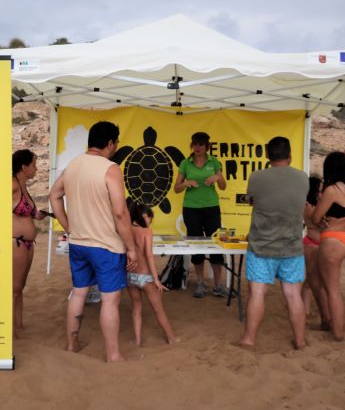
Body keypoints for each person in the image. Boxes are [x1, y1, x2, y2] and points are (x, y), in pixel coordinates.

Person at [49, 121, 138, 363]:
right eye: (116, 142)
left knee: (78, 294)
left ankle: (72, 345)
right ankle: (113, 354)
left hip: (79, 244)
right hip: (106, 246)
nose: (116, 146)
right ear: (110, 143)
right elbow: (121, 213)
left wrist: (69, 226)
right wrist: (131, 248)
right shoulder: (111, 169)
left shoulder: (73, 165)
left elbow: (54, 195)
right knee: (110, 299)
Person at [237, 136, 309, 350]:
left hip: (261, 247)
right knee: (293, 294)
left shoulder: (257, 177)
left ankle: (249, 340)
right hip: (292, 248)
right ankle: (300, 341)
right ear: (290, 155)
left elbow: (252, 200)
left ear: (267, 155)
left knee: (257, 293)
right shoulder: (303, 178)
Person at [173, 132, 227, 298]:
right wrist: (186, 183)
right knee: (196, 245)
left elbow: (223, 186)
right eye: (195, 144)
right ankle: (200, 284)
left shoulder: (214, 162)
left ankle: (218, 285)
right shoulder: (185, 163)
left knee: (216, 245)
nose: (197, 147)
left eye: (201, 144)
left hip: (211, 207)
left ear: (206, 146)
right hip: (191, 209)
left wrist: (217, 177)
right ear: (192, 145)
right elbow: (176, 188)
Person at [312, 151, 345, 341]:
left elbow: (315, 218)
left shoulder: (332, 190)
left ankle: (337, 332)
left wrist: (320, 218)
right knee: (315, 281)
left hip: (332, 241)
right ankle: (326, 322)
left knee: (332, 289)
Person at [126, 202, 178, 346]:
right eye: (150, 218)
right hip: (145, 276)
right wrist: (156, 280)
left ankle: (137, 340)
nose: (150, 221)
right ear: (144, 216)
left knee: (136, 308)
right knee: (158, 310)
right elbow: (149, 256)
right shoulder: (146, 231)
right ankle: (171, 338)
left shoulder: (126, 229)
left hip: (130, 276)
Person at [12, 149, 47, 338]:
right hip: (15, 242)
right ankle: (10, 329)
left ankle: (18, 325)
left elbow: (28, 212)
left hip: (27, 243)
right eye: (33, 164)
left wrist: (39, 214)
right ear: (23, 167)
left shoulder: (23, 186)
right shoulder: (12, 184)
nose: (36, 168)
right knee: (14, 289)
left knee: (20, 287)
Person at [302, 176, 327, 324]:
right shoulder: (309, 207)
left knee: (311, 281)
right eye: (320, 189)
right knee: (311, 280)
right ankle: (304, 310)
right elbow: (320, 223)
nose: (322, 192)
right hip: (312, 244)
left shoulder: (314, 205)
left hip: (314, 244)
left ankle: (305, 309)